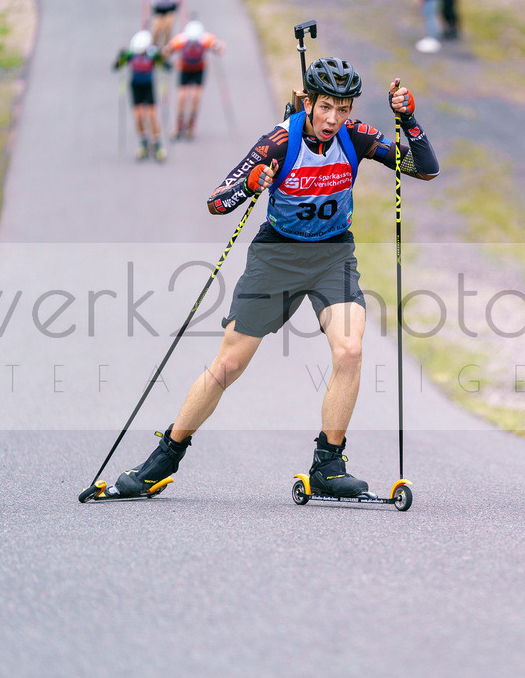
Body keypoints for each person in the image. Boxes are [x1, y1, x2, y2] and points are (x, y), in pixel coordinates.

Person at [110, 57, 439, 499]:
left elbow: (423, 168)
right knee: (228, 364)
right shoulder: (279, 143)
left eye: (343, 109)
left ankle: (328, 463)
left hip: (331, 254)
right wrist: (250, 183)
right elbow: (216, 202)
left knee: (350, 350)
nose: (333, 118)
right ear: (308, 102)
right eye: (325, 107)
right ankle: (163, 457)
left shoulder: (356, 136)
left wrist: (409, 119)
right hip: (276, 256)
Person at [113, 30, 170, 162]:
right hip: (135, 86)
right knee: (138, 116)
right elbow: (116, 66)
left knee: (151, 116)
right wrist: (120, 56)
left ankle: (158, 145)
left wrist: (163, 57)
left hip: (148, 87)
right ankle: (144, 144)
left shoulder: (152, 54)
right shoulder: (130, 54)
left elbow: (166, 66)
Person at [164, 19, 225, 140]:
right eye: (191, 42)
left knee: (196, 97)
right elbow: (167, 50)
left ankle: (191, 125)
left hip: (198, 69)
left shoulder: (205, 39)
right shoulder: (181, 40)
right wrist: (168, 53)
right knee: (182, 97)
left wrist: (217, 48)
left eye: (195, 42)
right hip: (185, 69)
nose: (193, 44)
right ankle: (178, 126)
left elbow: (221, 46)